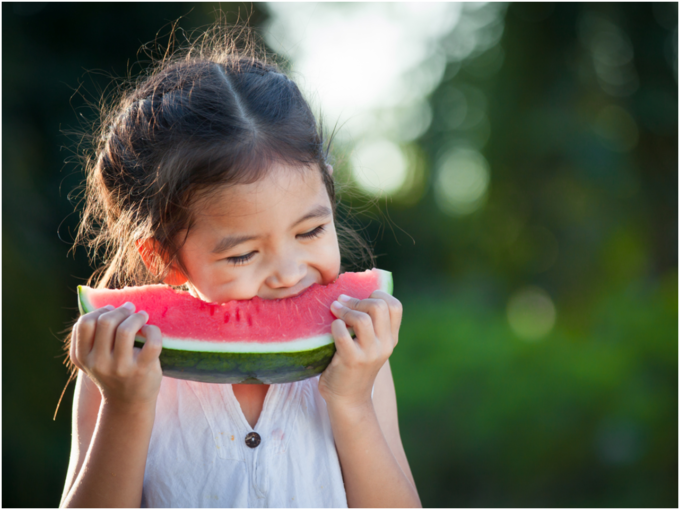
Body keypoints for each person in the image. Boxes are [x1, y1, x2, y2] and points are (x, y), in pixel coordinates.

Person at [59, 23, 420, 508]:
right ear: (164, 257)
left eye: (311, 231)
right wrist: (126, 407)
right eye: (243, 254)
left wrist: (351, 402)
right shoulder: (119, 365)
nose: (289, 273)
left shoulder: (359, 357)